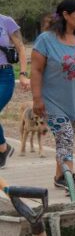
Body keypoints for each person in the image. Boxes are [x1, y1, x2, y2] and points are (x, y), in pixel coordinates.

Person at [30, 0, 75, 193]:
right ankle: (67, 177)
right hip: (51, 101)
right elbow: (36, 70)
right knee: (65, 135)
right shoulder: (46, 40)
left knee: (66, 140)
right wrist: (37, 99)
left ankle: (58, 176)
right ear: (65, 14)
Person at [0, 12, 30, 168]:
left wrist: (23, 74)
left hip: (4, 75)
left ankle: (3, 148)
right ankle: (3, 147)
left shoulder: (6, 22)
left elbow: (20, 48)